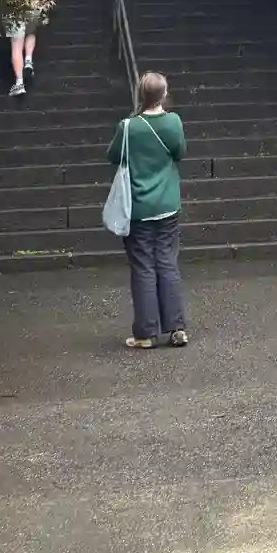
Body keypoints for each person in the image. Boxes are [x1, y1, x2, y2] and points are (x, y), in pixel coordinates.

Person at [106, 71, 188, 349]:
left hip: (138, 207)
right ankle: (176, 327)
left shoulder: (128, 127)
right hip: (167, 204)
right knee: (167, 261)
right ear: (164, 94)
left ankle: (146, 333)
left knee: (142, 267)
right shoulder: (174, 122)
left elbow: (113, 156)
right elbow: (180, 152)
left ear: (140, 95)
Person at [2, 0, 50, 97]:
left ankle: (19, 83)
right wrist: (39, 1)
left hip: (13, 9)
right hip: (32, 6)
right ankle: (28, 59)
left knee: (16, 46)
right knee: (31, 32)